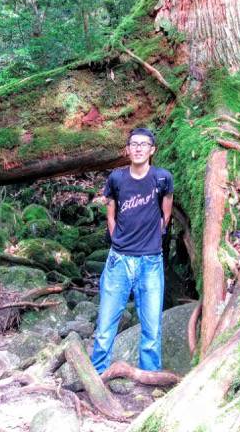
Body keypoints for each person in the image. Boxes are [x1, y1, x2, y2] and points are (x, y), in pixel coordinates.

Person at [90, 127, 173, 374]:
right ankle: (97, 375)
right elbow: (111, 213)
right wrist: (118, 240)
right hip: (119, 261)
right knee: (105, 326)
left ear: (152, 150)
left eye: (143, 144)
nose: (138, 148)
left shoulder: (162, 178)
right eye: (133, 144)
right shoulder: (117, 178)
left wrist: (154, 237)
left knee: (152, 328)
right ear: (127, 149)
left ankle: (148, 379)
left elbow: (165, 213)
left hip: (150, 262)